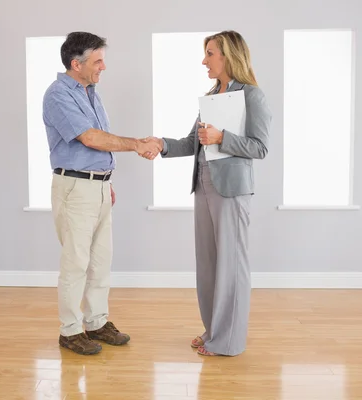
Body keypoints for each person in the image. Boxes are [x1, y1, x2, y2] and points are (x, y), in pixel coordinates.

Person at [143, 30, 271, 356]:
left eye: (210, 53)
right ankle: (213, 329)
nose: (204, 60)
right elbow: (192, 142)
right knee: (209, 265)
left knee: (231, 266)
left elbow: (260, 147)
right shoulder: (213, 94)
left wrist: (222, 137)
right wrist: (162, 145)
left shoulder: (251, 95)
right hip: (203, 185)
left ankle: (228, 341)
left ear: (228, 56)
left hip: (231, 192)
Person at [42, 31, 161, 355]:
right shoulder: (58, 95)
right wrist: (137, 144)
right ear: (75, 63)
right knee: (76, 263)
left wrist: (105, 182)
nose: (103, 67)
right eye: (97, 61)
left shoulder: (90, 92)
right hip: (76, 188)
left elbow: (99, 143)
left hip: (97, 187)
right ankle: (69, 331)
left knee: (100, 262)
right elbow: (90, 138)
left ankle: (96, 322)